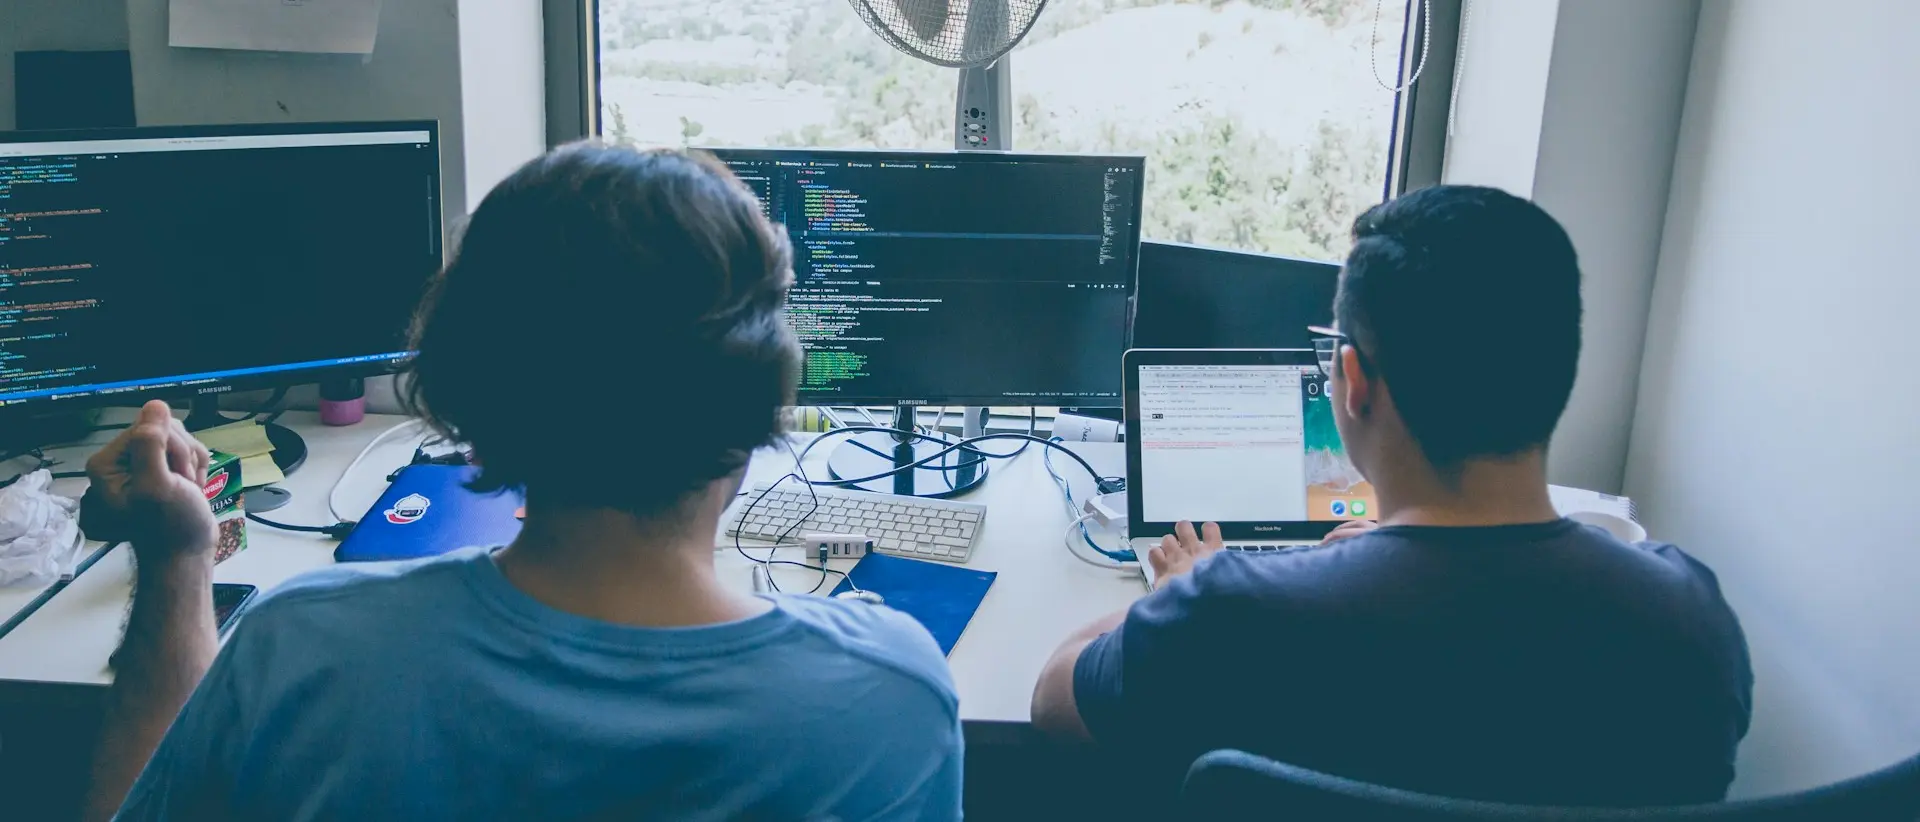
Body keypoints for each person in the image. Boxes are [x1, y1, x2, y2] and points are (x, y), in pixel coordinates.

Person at [81, 145, 963, 821]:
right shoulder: (889, 696)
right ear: (764, 393)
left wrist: (177, 555)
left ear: (469, 388)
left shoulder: (302, 650)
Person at [1030, 185, 1753, 808]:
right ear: (1560, 369)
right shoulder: (1692, 622)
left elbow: (1054, 699)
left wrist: (1174, 592)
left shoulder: (1225, 612)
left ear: (1355, 382)